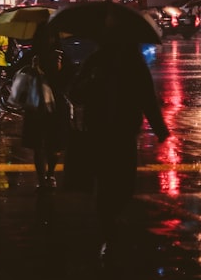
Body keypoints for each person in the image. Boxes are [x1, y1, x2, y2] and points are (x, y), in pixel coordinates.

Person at [68, 39, 170, 258]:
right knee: (108, 180)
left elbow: (146, 97)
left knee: (124, 181)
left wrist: (159, 127)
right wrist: (92, 81)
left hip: (123, 132)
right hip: (100, 132)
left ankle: (111, 217)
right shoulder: (95, 62)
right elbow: (75, 93)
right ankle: (108, 223)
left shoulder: (133, 63)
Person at [19, 29, 69, 190]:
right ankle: (42, 178)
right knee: (38, 144)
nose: (49, 39)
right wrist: (32, 69)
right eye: (45, 35)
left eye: (52, 35)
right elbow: (17, 74)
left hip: (56, 105)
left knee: (55, 145)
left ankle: (50, 173)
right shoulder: (31, 56)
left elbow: (69, 81)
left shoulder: (61, 56)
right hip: (36, 104)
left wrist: (60, 68)